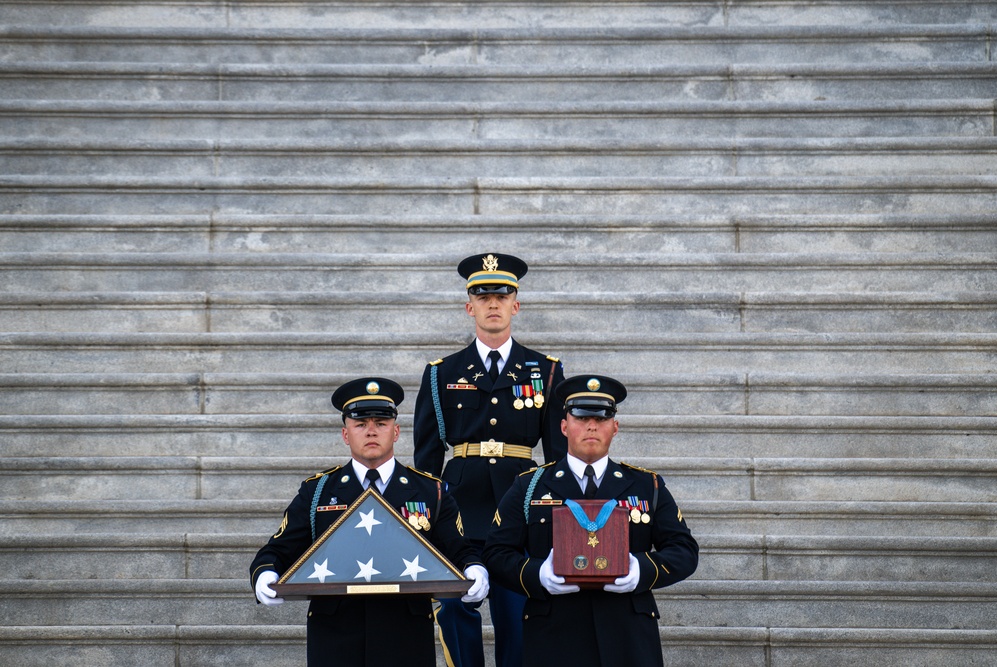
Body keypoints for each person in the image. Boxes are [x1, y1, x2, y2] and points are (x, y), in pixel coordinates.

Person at [250, 377, 490, 667]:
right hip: (336, 632)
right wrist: (264, 574)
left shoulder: (430, 491)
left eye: (381, 423)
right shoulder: (318, 492)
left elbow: (459, 548)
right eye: (360, 424)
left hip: (405, 632)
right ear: (345, 434)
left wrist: (475, 568)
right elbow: (276, 550)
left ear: (397, 431)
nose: (371, 431)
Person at [412, 252, 567, 667]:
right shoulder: (441, 372)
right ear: (469, 307)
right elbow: (426, 458)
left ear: (516, 304)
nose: (492, 304)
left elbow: (558, 456)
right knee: (455, 608)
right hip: (459, 507)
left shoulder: (545, 370)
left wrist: (557, 516)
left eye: (502, 295)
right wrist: (424, 515)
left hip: (520, 506)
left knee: (517, 616)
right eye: (482, 296)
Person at [483, 375, 699, 667]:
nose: (591, 426)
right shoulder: (530, 486)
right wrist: (538, 574)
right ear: (563, 426)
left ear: (615, 427)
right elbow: (496, 553)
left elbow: (684, 550)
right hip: (554, 634)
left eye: (602, 417)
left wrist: (641, 569)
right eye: (581, 417)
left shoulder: (647, 486)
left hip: (626, 635)